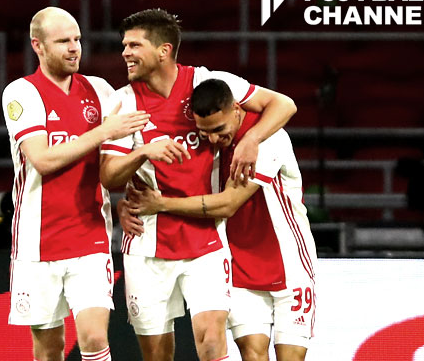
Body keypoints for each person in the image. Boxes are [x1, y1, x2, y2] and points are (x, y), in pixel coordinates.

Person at [99, 9, 297, 361]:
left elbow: (283, 104)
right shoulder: (123, 102)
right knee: (157, 355)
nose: (125, 53)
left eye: (134, 45)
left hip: (207, 241)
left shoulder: (207, 83)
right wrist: (143, 152)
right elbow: (109, 176)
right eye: (124, 45)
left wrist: (251, 139)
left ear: (164, 50)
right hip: (147, 242)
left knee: (211, 341)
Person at [126, 79, 317, 361]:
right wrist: (128, 203)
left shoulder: (268, 139)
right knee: (252, 354)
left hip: (290, 263)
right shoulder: (212, 147)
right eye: (205, 132)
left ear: (236, 109)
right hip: (239, 264)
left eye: (218, 129)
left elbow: (228, 204)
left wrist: (161, 205)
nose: (213, 139)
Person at [1, 7, 150, 361]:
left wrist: (126, 198)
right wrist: (101, 132)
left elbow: (120, 153)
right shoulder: (21, 92)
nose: (73, 48)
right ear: (37, 45)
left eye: (77, 39)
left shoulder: (100, 90)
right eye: (63, 41)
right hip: (36, 242)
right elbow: (42, 159)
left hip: (90, 235)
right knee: (49, 349)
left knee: (94, 337)